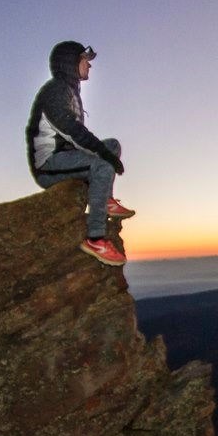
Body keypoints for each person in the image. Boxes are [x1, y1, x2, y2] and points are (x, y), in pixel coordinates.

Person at [26, 40, 136, 266]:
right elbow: (72, 131)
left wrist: (106, 151)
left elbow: (76, 138)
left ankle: (105, 200)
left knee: (112, 145)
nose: (89, 65)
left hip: (64, 156)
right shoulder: (55, 91)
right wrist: (103, 155)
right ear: (70, 62)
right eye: (85, 60)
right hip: (49, 165)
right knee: (103, 163)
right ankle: (95, 239)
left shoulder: (69, 91)